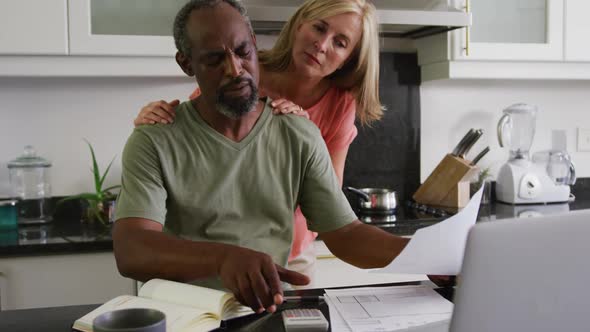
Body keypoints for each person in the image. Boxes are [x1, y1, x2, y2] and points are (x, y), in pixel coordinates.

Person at [113, 0, 412, 314]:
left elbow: (345, 232)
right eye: (215, 58)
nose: (234, 69)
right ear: (187, 64)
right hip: (185, 312)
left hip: (268, 309)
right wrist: (225, 257)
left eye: (243, 52)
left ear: (254, 47)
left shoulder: (301, 132)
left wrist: (428, 254)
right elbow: (132, 248)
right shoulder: (154, 137)